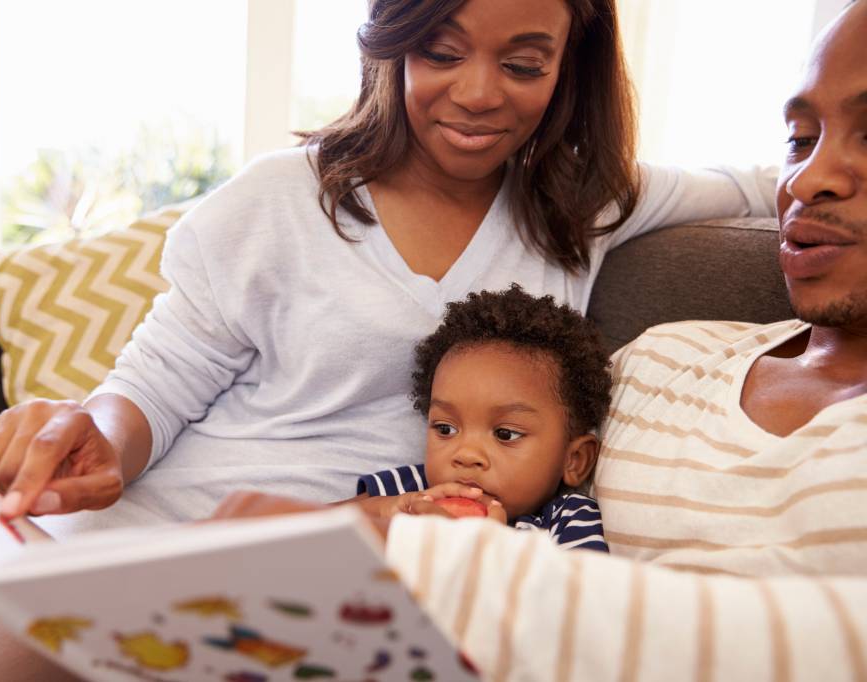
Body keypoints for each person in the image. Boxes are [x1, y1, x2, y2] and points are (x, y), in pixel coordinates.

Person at [0, 0, 775, 679]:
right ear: (393, 43)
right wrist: (102, 435)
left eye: (525, 64)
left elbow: (761, 183)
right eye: (442, 52)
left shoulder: (582, 206)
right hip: (142, 535)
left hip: (324, 582)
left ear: (569, 66)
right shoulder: (280, 197)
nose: (480, 94)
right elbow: (156, 384)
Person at [213, 2, 867, 678]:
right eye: (798, 139)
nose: (808, 178)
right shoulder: (658, 360)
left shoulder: (579, 211)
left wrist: (411, 554)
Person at [350, 285, 611, 552]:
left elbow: (583, 591)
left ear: (574, 460)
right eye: (446, 428)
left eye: (505, 434)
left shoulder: (567, 520)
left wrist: (488, 551)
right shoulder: (411, 490)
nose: (466, 454)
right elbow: (314, 526)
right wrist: (382, 511)